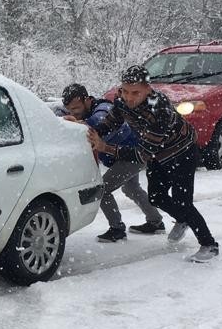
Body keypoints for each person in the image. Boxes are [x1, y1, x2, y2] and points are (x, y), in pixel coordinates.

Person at [87, 65, 219, 263]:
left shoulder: (160, 110)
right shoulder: (122, 100)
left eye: (135, 93)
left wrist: (104, 147)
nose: (129, 97)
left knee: (183, 202)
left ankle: (209, 245)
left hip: (182, 153)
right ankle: (182, 219)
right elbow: (111, 122)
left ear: (148, 89)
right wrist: (87, 128)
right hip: (158, 154)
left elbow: (141, 154)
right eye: (125, 91)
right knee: (156, 196)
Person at [60, 83, 165, 242]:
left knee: (102, 190)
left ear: (87, 100)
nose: (74, 113)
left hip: (132, 155)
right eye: (70, 109)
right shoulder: (84, 112)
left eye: (76, 108)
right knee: (131, 188)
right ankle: (155, 222)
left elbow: (97, 121)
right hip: (123, 155)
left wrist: (79, 123)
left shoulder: (103, 108)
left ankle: (117, 229)